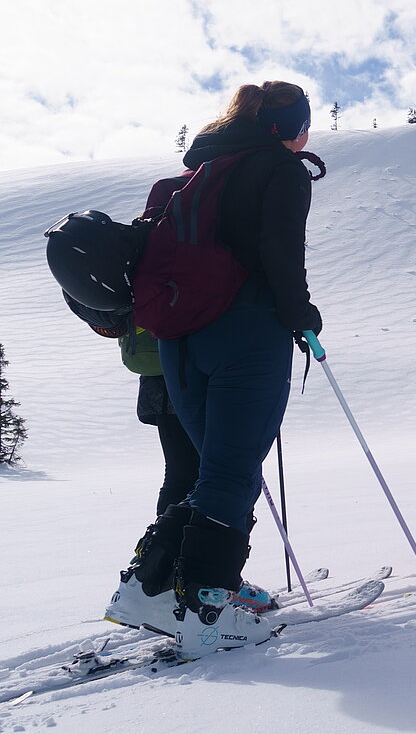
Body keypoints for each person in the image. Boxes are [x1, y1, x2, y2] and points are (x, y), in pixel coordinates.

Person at [108, 80, 322, 658]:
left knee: (215, 471)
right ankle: (206, 608)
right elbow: (281, 251)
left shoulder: (191, 175)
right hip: (245, 331)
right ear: (289, 128)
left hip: (177, 342)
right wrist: (301, 315)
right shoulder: (279, 170)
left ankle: (152, 585)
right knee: (230, 473)